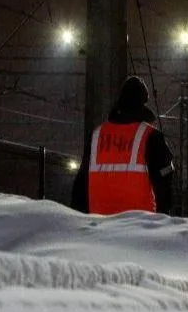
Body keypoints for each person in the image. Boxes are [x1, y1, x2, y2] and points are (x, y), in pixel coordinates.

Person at [71, 76, 175, 215]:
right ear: (143, 104)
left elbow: (80, 186)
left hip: (99, 226)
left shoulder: (96, 135)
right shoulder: (150, 136)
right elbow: (164, 185)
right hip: (139, 227)